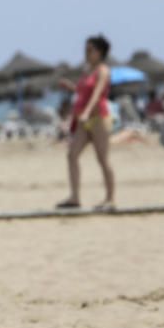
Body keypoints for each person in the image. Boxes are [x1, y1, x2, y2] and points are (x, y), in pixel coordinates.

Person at [56, 35, 115, 211]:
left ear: (100, 52)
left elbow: (97, 93)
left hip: (98, 119)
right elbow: (83, 92)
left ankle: (110, 198)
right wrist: (72, 87)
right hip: (83, 120)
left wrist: (88, 111)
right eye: (86, 49)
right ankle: (74, 197)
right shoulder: (87, 70)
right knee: (72, 155)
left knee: (102, 159)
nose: (86, 53)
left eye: (90, 50)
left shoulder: (103, 70)